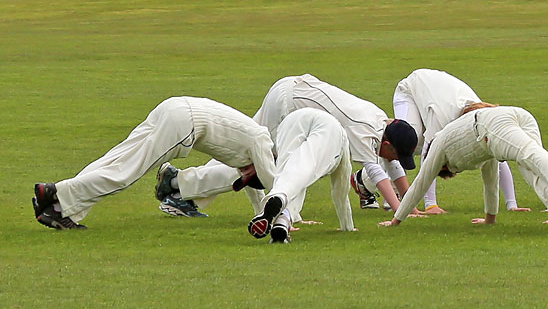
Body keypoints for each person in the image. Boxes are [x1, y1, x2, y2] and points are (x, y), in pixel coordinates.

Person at [157, 74, 420, 221]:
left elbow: (390, 164)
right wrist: (401, 211)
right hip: (289, 104)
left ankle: (178, 183)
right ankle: (180, 187)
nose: (394, 160)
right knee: (260, 163)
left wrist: (411, 204)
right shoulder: (365, 130)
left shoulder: (381, 121)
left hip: (289, 90)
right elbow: (378, 173)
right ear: (387, 143)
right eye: (396, 154)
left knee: (246, 152)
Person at [32, 96, 276, 230]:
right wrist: (283, 217)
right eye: (247, 173)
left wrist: (262, 215)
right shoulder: (263, 142)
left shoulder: (252, 149)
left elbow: (256, 188)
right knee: (125, 173)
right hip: (185, 124)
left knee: (116, 159)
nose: (242, 174)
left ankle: (62, 209)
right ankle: (58, 194)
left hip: (175, 106)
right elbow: (273, 184)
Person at [379, 104, 548, 234]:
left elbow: (420, 183)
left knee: (529, 154)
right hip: (513, 116)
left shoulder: (438, 143)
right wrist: (490, 218)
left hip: (488, 125)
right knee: (530, 165)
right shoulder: (483, 152)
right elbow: (490, 181)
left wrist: (396, 220)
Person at [390, 68, 524, 214]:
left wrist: (512, 204)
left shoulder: (481, 119)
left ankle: (389, 184)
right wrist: (431, 205)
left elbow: (495, 156)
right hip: (409, 90)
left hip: (434, 92)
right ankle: (370, 181)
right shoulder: (442, 119)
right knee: (406, 142)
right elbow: (430, 157)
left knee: (411, 147)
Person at [247, 108, 354, 243]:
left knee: (291, 172)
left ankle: (280, 204)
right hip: (322, 124)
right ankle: (282, 221)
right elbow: (341, 190)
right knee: (301, 170)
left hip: (292, 122)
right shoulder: (341, 140)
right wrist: (347, 225)